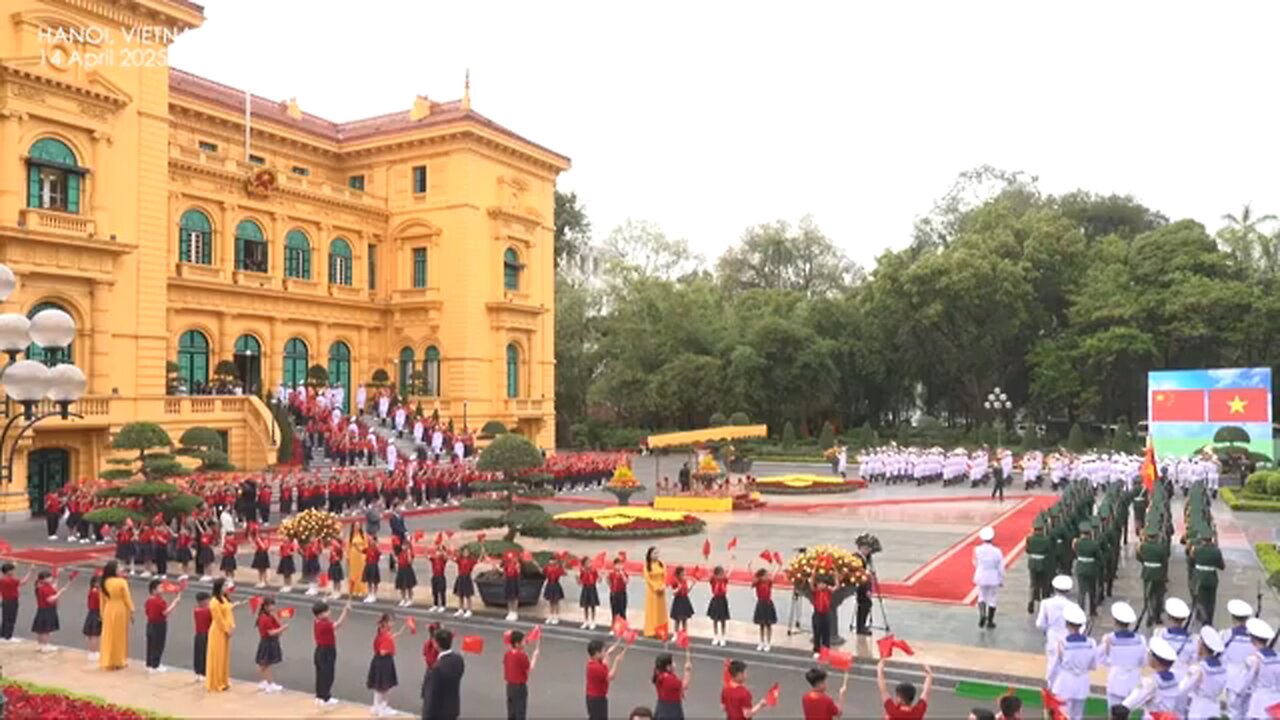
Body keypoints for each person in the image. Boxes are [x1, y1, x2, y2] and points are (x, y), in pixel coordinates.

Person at [1048, 603, 1096, 720]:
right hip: (1082, 683)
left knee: (1063, 715)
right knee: (1078, 716)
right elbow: (1093, 665)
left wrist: (1050, 682)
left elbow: (1055, 667)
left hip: (1065, 683)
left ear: (1066, 624)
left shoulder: (1061, 644)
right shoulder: (1091, 643)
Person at [1117, 636, 1183, 717]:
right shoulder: (1176, 679)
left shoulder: (1151, 682)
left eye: (1149, 654)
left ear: (1155, 660)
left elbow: (1128, 704)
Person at [1098, 601, 1147, 708]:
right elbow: (1144, 663)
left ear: (1114, 621)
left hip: (1115, 683)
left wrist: (1110, 660)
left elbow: (1100, 659)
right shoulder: (1141, 640)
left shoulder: (1109, 639)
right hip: (1133, 684)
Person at [1179, 626, 1227, 720]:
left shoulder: (1198, 668)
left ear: (1202, 645)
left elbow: (1182, 688)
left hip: (1199, 709)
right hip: (1214, 708)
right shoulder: (1223, 668)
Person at [1221, 598, 1256, 720]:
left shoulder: (1226, 634)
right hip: (1249, 678)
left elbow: (1221, 656)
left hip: (1232, 678)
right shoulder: (1254, 637)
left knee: (1233, 712)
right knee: (1246, 711)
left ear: (1233, 618)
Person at [312, 599, 351, 707]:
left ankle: (320, 696)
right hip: (327, 651)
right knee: (328, 675)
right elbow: (339, 624)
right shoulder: (325, 624)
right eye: (326, 611)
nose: (329, 613)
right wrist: (345, 611)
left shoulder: (317, 621)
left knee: (320, 675)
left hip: (320, 650)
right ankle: (325, 698)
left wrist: (324, 600)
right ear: (319, 615)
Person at [1035, 575, 1074, 680]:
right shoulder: (1072, 606)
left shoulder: (1046, 603)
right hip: (1068, 637)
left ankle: (1051, 688)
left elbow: (1040, 623)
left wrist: (1047, 628)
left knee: (1052, 663)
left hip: (1052, 636)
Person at [367, 612, 406, 717]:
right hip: (384, 662)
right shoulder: (385, 635)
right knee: (384, 687)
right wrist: (390, 648)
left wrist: (403, 629)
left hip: (378, 661)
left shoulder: (383, 631)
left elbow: (392, 636)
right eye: (391, 621)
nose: (393, 623)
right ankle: (382, 708)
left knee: (379, 686)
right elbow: (383, 651)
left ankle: (376, 707)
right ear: (385, 622)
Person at [422, 627, 465, 720]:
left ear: (436, 644)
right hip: (453, 708)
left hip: (438, 712)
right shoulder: (458, 659)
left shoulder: (436, 669)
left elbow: (431, 696)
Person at [99, 561, 134, 670]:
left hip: (108, 609)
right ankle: (119, 660)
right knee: (119, 636)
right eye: (119, 568)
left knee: (109, 635)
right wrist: (132, 610)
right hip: (120, 609)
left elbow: (102, 601)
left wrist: (102, 613)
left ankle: (108, 660)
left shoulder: (104, 582)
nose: (122, 569)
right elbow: (127, 598)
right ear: (114, 570)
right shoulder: (121, 582)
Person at [1243, 617, 1278, 719]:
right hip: (1276, 701)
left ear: (1252, 639)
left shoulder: (1254, 659)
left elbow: (1246, 681)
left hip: (1259, 702)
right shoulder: (1278, 657)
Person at [585, 637, 628, 720]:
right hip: (597, 699)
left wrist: (614, 646)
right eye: (603, 651)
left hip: (593, 697)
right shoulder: (596, 667)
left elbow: (605, 664)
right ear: (597, 653)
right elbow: (610, 676)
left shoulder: (593, 662)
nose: (604, 653)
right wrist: (616, 661)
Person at [206, 577, 236, 692]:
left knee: (224, 657)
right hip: (218, 631)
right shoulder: (214, 602)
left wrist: (231, 626)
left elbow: (228, 612)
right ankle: (216, 682)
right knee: (217, 656)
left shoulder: (224, 599)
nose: (226, 588)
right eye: (224, 586)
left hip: (226, 630)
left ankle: (223, 680)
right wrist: (226, 629)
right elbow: (218, 618)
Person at [503, 629, 540, 720]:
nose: (525, 642)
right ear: (517, 644)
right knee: (520, 712)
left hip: (509, 687)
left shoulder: (507, 655)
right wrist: (535, 656)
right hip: (519, 688)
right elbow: (529, 668)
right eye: (523, 641)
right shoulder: (521, 656)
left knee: (511, 712)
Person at [972, 526, 1004, 629]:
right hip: (993, 576)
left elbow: (975, 562)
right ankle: (990, 621)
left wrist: (980, 568)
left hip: (981, 575)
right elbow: (1000, 567)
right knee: (992, 599)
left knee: (981, 596)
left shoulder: (977, 550)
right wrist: (1001, 579)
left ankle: (982, 615)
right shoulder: (997, 551)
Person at [254, 596, 288, 693]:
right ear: (265, 607)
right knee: (266, 664)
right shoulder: (265, 618)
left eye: (273, 605)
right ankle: (270, 683)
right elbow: (270, 632)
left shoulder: (269, 616)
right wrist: (283, 629)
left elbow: (278, 625)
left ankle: (265, 681)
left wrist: (276, 617)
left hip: (269, 641)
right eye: (270, 606)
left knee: (264, 664)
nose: (273, 608)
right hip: (268, 642)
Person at [30, 569, 66, 652]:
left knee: (41, 629)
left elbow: (54, 587)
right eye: (49, 577)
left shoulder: (42, 586)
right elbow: (50, 599)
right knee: (46, 629)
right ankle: (45, 646)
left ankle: (40, 645)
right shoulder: (44, 588)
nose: (51, 578)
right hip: (47, 610)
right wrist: (60, 593)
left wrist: (57, 575)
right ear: (43, 579)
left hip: (42, 610)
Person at [652, 650, 692, 720]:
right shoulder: (669, 679)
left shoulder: (660, 674)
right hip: (671, 708)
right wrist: (687, 670)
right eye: (673, 662)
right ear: (668, 667)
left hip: (661, 705)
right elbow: (684, 685)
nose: (674, 663)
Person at [0, 562, 33, 642]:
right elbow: (23, 582)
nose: (14, 572)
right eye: (12, 570)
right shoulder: (11, 580)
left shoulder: (2, 580)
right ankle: (8, 637)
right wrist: (30, 571)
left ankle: (2, 635)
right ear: (8, 572)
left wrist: (13, 565)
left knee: (5, 618)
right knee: (11, 619)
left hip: (4, 600)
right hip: (12, 601)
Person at [644, 547, 669, 638]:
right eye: (654, 553)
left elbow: (665, 576)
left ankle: (661, 631)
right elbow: (648, 579)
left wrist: (663, 585)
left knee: (660, 612)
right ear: (650, 555)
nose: (656, 555)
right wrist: (656, 587)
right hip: (652, 592)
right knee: (652, 611)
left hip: (661, 591)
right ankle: (651, 631)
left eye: (657, 553)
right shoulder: (647, 566)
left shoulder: (661, 564)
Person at [750, 567, 777, 651]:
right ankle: (761, 642)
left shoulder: (769, 582)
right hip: (761, 604)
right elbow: (753, 578)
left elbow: (774, 574)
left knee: (768, 625)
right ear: (761, 576)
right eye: (765, 575)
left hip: (768, 604)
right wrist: (750, 568)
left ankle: (768, 643)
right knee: (761, 625)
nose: (767, 576)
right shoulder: (757, 583)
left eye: (767, 575)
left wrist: (778, 566)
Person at [707, 565, 731, 647]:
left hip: (723, 600)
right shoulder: (713, 580)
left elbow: (729, 572)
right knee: (715, 619)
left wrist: (732, 563)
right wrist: (706, 560)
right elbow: (708, 572)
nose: (722, 575)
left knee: (723, 620)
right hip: (716, 600)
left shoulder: (724, 580)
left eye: (723, 573)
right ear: (716, 575)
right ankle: (715, 636)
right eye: (721, 574)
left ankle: (723, 637)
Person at [83, 575, 103, 661]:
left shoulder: (92, 591)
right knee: (95, 634)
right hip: (96, 613)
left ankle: (92, 651)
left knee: (92, 634)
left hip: (91, 613)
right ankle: (93, 652)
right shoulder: (97, 592)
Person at [192, 591, 211, 681]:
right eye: (207, 600)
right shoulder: (206, 611)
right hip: (204, 634)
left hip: (198, 635)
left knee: (198, 653)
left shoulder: (196, 610)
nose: (209, 602)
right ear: (202, 602)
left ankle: (198, 672)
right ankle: (203, 673)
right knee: (203, 654)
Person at [669, 566, 694, 634]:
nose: (684, 576)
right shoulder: (675, 582)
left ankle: (684, 634)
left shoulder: (684, 581)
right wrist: (678, 588)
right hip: (678, 601)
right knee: (677, 619)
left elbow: (686, 591)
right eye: (682, 574)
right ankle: (675, 634)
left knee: (684, 619)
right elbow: (673, 593)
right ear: (678, 575)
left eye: (685, 574)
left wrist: (691, 585)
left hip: (685, 600)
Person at [452, 546, 476, 617]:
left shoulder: (471, 560)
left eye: (467, 552)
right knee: (460, 594)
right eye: (464, 552)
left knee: (468, 595)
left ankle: (469, 610)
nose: (465, 553)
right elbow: (453, 558)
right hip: (461, 577)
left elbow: (479, 560)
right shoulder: (460, 559)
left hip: (467, 578)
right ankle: (461, 609)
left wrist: (483, 552)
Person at [542, 554, 565, 625]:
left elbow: (563, 573)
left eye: (553, 560)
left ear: (556, 561)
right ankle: (551, 615)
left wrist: (562, 566)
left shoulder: (558, 568)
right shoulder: (547, 567)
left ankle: (556, 616)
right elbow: (544, 573)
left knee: (556, 601)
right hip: (549, 584)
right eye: (550, 560)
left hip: (556, 584)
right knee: (551, 601)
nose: (551, 561)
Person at [579, 558, 601, 629]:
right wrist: (577, 578)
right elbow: (580, 582)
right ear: (584, 564)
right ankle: (586, 621)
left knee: (593, 605)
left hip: (592, 588)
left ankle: (593, 621)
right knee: (585, 606)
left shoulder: (594, 571)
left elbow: (598, 580)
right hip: (585, 588)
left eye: (590, 562)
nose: (589, 564)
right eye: (587, 563)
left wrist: (600, 577)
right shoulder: (582, 571)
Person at [608, 556, 629, 630]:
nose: (619, 566)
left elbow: (626, 582)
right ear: (614, 565)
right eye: (617, 564)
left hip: (622, 594)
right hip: (614, 594)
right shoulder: (611, 574)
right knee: (614, 612)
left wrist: (622, 573)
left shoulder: (624, 573)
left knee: (622, 612)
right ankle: (614, 628)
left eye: (620, 564)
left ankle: (624, 628)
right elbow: (609, 583)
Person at [348, 525, 369, 599]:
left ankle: (362, 590)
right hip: (353, 557)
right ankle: (354, 590)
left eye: (358, 526)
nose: (357, 527)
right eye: (355, 526)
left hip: (361, 556)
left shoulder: (363, 535)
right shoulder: (351, 536)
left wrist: (361, 550)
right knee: (353, 573)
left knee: (360, 573)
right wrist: (348, 557)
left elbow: (366, 546)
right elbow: (348, 546)